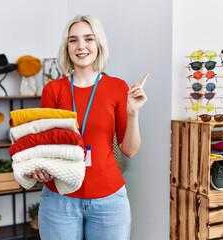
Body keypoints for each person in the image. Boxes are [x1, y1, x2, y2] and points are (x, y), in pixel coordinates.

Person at [30, 14, 148, 240]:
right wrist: (40, 170)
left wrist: (133, 112)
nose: (81, 46)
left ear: (98, 44)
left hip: (109, 201)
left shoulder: (117, 87)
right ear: (66, 47)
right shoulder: (53, 90)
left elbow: (130, 150)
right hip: (59, 200)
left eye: (88, 39)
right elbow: (44, 146)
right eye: (73, 40)